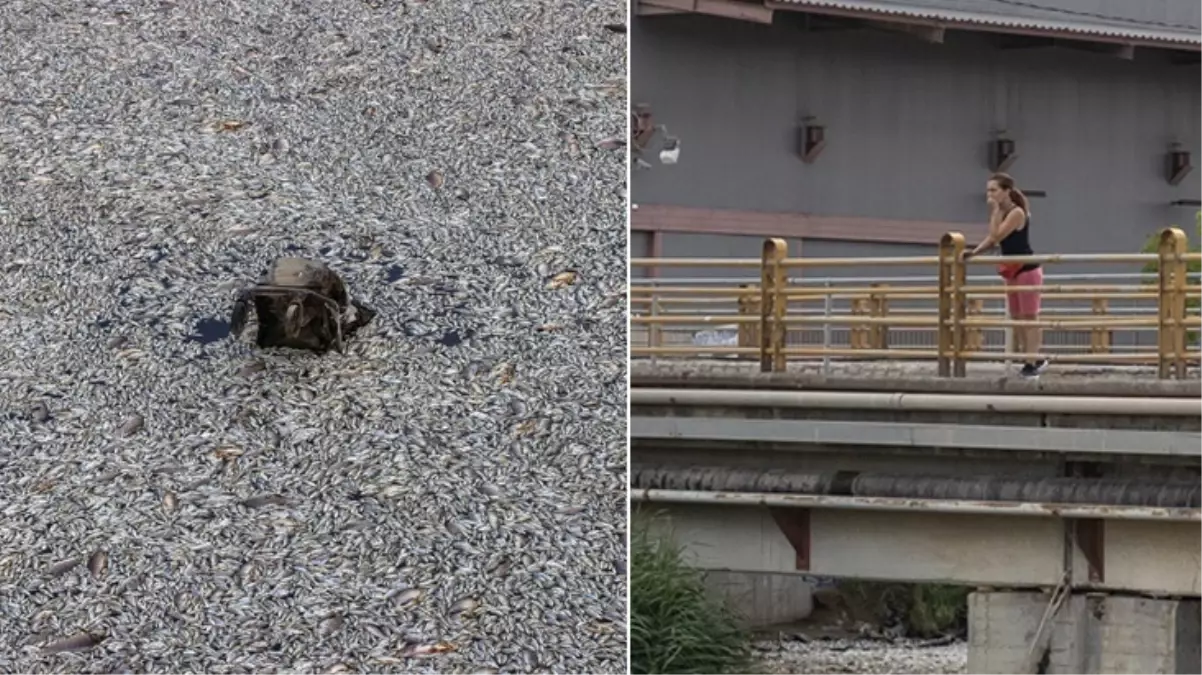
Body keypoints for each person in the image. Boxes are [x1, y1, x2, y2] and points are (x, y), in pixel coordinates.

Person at [962, 172, 1047, 378]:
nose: (989, 194)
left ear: (1006, 191)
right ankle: (1032, 358)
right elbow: (992, 241)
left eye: (994, 190)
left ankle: (1031, 361)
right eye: (988, 190)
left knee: (1029, 316)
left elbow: (997, 235)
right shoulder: (1003, 212)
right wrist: (973, 253)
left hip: (1026, 268)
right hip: (1012, 268)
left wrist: (994, 211)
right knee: (1017, 316)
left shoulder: (1017, 212)